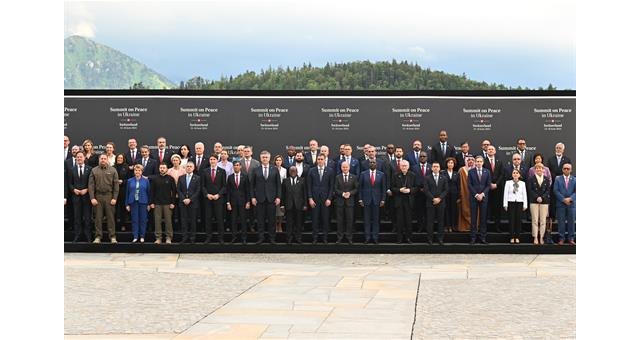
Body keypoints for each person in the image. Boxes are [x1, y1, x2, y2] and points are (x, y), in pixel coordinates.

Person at [250, 151, 282, 244]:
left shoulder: (275, 169)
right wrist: (253, 197)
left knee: (272, 220)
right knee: (260, 220)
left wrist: (278, 197)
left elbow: (278, 185)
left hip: (271, 199)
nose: (265, 159)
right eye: (263, 157)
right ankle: (261, 238)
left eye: (266, 157)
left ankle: (272, 238)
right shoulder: (256, 170)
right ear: (260, 158)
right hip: (259, 199)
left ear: (269, 158)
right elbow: (252, 185)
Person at [89, 154, 120, 244]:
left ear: (107, 160)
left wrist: (114, 198)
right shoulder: (94, 170)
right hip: (97, 197)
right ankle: (98, 236)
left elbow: (116, 186)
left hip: (109, 197)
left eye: (104, 159)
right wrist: (92, 198)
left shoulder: (113, 170)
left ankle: (112, 236)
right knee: (98, 218)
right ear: (99, 160)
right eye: (101, 158)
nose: (103, 160)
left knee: (110, 218)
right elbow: (91, 186)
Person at [307, 154, 334, 244]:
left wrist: (329, 198)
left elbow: (331, 186)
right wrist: (310, 198)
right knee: (315, 219)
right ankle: (315, 238)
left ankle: (325, 238)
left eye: (321, 159)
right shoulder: (311, 170)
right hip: (314, 199)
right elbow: (309, 186)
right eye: (318, 159)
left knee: (325, 219)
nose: (320, 161)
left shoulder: (330, 171)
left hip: (326, 199)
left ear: (325, 160)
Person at [358, 158, 385, 244]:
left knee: (376, 220)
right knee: (367, 220)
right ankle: (367, 237)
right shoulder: (363, 174)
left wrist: (383, 199)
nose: (372, 163)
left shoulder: (381, 174)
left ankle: (375, 237)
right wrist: (360, 199)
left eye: (374, 162)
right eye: (371, 162)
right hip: (366, 200)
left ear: (376, 164)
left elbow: (383, 188)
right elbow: (360, 188)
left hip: (377, 200)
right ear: (369, 164)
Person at [201, 155, 227, 244]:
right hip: (208, 199)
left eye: (214, 159)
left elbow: (224, 186)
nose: (212, 161)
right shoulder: (205, 171)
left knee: (219, 219)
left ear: (217, 160)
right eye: (211, 159)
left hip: (218, 199)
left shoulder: (222, 171)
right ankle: (208, 237)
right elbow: (202, 186)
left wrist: (218, 195)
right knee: (208, 219)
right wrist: (207, 194)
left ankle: (221, 238)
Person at [391, 160, 418, 244]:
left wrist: (410, 190)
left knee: (408, 221)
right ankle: (399, 239)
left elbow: (416, 187)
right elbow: (392, 187)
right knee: (399, 221)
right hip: (399, 201)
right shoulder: (395, 175)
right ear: (400, 166)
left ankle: (408, 238)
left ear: (408, 166)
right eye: (402, 165)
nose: (404, 167)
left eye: (405, 166)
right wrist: (399, 190)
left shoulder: (412, 175)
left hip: (409, 201)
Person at [150, 163, 177, 244]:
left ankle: (168, 237)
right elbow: (152, 192)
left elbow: (174, 191)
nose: (162, 169)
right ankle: (158, 238)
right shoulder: (155, 179)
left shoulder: (170, 178)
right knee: (157, 221)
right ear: (159, 169)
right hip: (157, 203)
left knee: (168, 221)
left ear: (166, 169)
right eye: (161, 167)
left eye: (164, 168)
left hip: (168, 203)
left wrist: (173, 202)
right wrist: (151, 202)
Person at [69, 152, 92, 242]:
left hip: (86, 197)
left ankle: (88, 236)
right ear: (76, 159)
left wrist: (87, 189)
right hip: (76, 197)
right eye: (77, 157)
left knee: (87, 218)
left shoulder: (89, 169)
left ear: (84, 158)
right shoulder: (72, 169)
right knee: (77, 218)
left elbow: (91, 183)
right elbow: (69, 183)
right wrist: (73, 190)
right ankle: (77, 235)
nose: (79, 158)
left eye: (81, 157)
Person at [226, 161, 251, 244]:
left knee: (243, 221)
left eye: (237, 165)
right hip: (233, 203)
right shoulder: (230, 177)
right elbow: (228, 191)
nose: (236, 167)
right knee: (233, 221)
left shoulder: (245, 176)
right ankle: (234, 237)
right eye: (234, 165)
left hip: (243, 202)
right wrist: (228, 202)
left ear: (240, 167)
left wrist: (248, 201)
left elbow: (248, 190)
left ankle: (244, 238)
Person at [468, 155, 491, 244]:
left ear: (483, 162)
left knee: (483, 218)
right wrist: (476, 195)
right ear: (475, 162)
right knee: (473, 218)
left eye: (480, 161)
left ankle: (483, 237)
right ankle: (473, 238)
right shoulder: (471, 172)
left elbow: (488, 185)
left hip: (484, 198)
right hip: (474, 197)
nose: (479, 163)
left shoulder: (487, 172)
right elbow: (469, 185)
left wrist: (482, 194)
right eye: (477, 161)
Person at [424, 162, 449, 245]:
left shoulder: (444, 178)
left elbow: (446, 190)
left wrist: (439, 198)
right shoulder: (427, 178)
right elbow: (426, 190)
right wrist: (433, 199)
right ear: (431, 168)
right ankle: (430, 239)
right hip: (430, 203)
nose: (435, 168)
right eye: (434, 166)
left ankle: (440, 239)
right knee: (430, 222)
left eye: (437, 166)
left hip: (441, 203)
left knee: (441, 222)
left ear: (439, 168)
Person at [334, 162, 358, 244]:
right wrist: (342, 194)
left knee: (349, 220)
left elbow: (356, 189)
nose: (345, 168)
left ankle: (349, 238)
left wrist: (350, 193)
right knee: (340, 221)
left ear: (349, 168)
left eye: (346, 167)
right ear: (341, 168)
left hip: (350, 202)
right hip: (340, 202)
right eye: (343, 167)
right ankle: (339, 238)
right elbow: (335, 189)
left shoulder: (354, 177)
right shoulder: (337, 177)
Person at [125, 164, 151, 243]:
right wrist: (127, 204)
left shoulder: (146, 181)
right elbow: (127, 193)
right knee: (134, 220)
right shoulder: (130, 181)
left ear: (142, 171)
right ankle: (135, 236)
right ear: (134, 171)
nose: (137, 172)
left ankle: (142, 236)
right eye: (136, 170)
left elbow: (149, 192)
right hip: (133, 202)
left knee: (143, 220)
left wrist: (149, 204)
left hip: (143, 202)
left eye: (139, 170)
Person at [282, 166, 307, 244]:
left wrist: (305, 204)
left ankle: (298, 238)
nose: (293, 172)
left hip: (299, 205)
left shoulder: (302, 180)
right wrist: (282, 205)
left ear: (297, 172)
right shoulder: (285, 181)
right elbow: (283, 194)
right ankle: (289, 239)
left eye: (294, 171)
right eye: (291, 171)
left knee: (298, 223)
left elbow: (305, 194)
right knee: (289, 223)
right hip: (288, 205)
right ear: (289, 172)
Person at [527, 163, 551, 245]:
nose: (539, 169)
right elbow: (530, 190)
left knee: (543, 221)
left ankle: (541, 237)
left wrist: (542, 197)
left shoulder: (547, 179)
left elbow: (548, 190)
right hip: (534, 201)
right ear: (535, 170)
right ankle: (535, 237)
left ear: (543, 169)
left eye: (541, 168)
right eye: (537, 168)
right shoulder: (531, 179)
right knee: (535, 220)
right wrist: (537, 197)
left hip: (544, 202)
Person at [178, 161, 201, 244]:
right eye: (187, 166)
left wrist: (190, 199)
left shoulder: (197, 178)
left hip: (193, 203)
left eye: (191, 166)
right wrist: (184, 199)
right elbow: (179, 190)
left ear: (194, 168)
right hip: (183, 202)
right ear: (185, 168)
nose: (189, 168)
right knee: (183, 221)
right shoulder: (181, 177)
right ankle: (184, 237)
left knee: (192, 221)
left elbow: (198, 190)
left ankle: (192, 238)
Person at [503, 169, 528, 244]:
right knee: (511, 220)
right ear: (512, 175)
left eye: (517, 173)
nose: (515, 174)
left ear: (519, 175)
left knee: (518, 220)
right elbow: (505, 193)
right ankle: (511, 237)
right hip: (511, 202)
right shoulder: (508, 183)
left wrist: (525, 204)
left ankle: (517, 237)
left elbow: (524, 194)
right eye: (514, 173)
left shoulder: (522, 183)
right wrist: (505, 204)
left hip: (519, 202)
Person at [484, 145, 505, 231]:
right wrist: (490, 184)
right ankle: (485, 227)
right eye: (489, 149)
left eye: (492, 149)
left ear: (495, 151)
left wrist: (496, 184)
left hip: (497, 188)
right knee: (486, 208)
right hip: (486, 188)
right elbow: (483, 174)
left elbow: (502, 174)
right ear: (486, 151)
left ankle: (497, 226)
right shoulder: (483, 161)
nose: (491, 150)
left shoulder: (499, 161)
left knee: (497, 208)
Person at [554, 163, 576, 245]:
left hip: (571, 204)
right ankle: (561, 239)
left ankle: (571, 239)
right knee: (561, 222)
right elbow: (555, 191)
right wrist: (563, 199)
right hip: (561, 204)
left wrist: (570, 199)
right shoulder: (558, 179)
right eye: (565, 168)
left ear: (571, 170)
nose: (566, 170)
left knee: (571, 222)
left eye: (568, 168)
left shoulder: (575, 179)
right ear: (562, 169)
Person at [411, 151, 431, 233]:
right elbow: (413, 180)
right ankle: (420, 227)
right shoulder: (414, 167)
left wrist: (426, 188)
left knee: (428, 212)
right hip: (418, 193)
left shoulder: (431, 167)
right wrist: (419, 188)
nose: (422, 158)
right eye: (421, 156)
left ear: (427, 157)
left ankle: (427, 227)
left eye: (424, 156)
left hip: (428, 193)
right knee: (419, 211)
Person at [457, 155, 476, 232]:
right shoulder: (461, 170)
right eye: (468, 160)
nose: (470, 161)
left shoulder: (477, 170)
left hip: (475, 194)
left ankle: (474, 226)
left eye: (472, 160)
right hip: (464, 194)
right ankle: (464, 227)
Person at [114, 153, 130, 232]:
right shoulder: (113, 167)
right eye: (118, 158)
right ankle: (115, 225)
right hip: (114, 191)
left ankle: (123, 225)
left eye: (121, 158)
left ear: (123, 159)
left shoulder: (126, 167)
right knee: (114, 209)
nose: (119, 159)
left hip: (124, 190)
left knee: (123, 209)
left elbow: (129, 179)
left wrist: (123, 181)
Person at [443, 157, 459, 233]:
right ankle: (447, 226)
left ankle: (453, 226)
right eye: (449, 163)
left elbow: (458, 185)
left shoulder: (457, 173)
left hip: (454, 194)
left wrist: (459, 196)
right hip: (445, 195)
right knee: (446, 210)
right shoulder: (442, 173)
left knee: (453, 210)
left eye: (452, 163)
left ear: (454, 164)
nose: (450, 164)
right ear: (447, 164)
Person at [273, 155, 288, 233]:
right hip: (273, 191)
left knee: (281, 211)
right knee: (275, 210)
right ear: (275, 161)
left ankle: (280, 225)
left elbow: (285, 181)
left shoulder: (284, 170)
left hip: (282, 191)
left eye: (280, 160)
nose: (278, 161)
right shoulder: (272, 169)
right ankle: (275, 225)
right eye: (277, 160)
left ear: (282, 161)